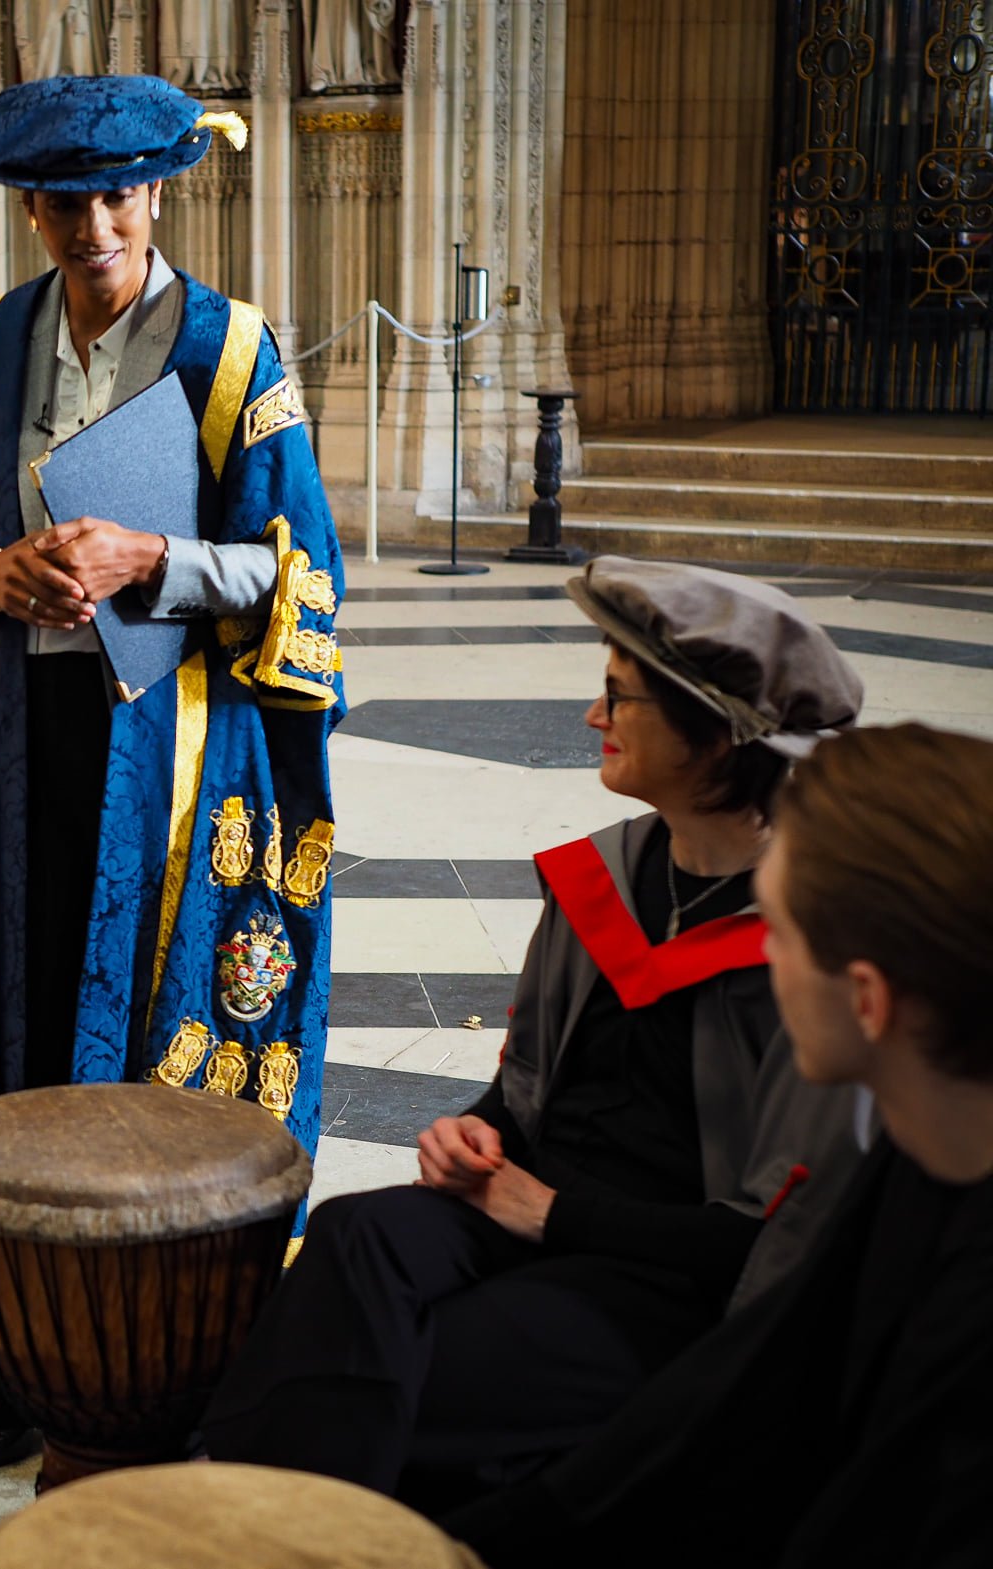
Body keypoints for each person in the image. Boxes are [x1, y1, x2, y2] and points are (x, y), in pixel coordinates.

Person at [198, 558, 864, 1510]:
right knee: (350, 1238)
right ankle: (315, 1530)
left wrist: (548, 1212)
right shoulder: (606, 876)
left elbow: (778, 1239)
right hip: (526, 1204)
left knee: (404, 1375)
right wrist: (476, 1130)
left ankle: (276, 1522)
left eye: (619, 697)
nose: (595, 718)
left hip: (669, 1277)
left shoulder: (812, 942)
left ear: (715, 737)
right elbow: (524, 1093)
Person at [0, 73, 346, 1474]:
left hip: (183, 761)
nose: (88, 223)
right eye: (59, 200)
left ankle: (174, 1376)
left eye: (112, 194)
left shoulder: (230, 353)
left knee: (167, 1055)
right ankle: (23, 1364)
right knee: (18, 1045)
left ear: (158, 191)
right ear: (27, 208)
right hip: (24, 743)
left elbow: (303, 575)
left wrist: (151, 558)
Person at [445, 723, 993, 1567]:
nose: (760, 957)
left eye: (777, 928)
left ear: (869, 1000)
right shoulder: (926, 1152)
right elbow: (746, 1386)